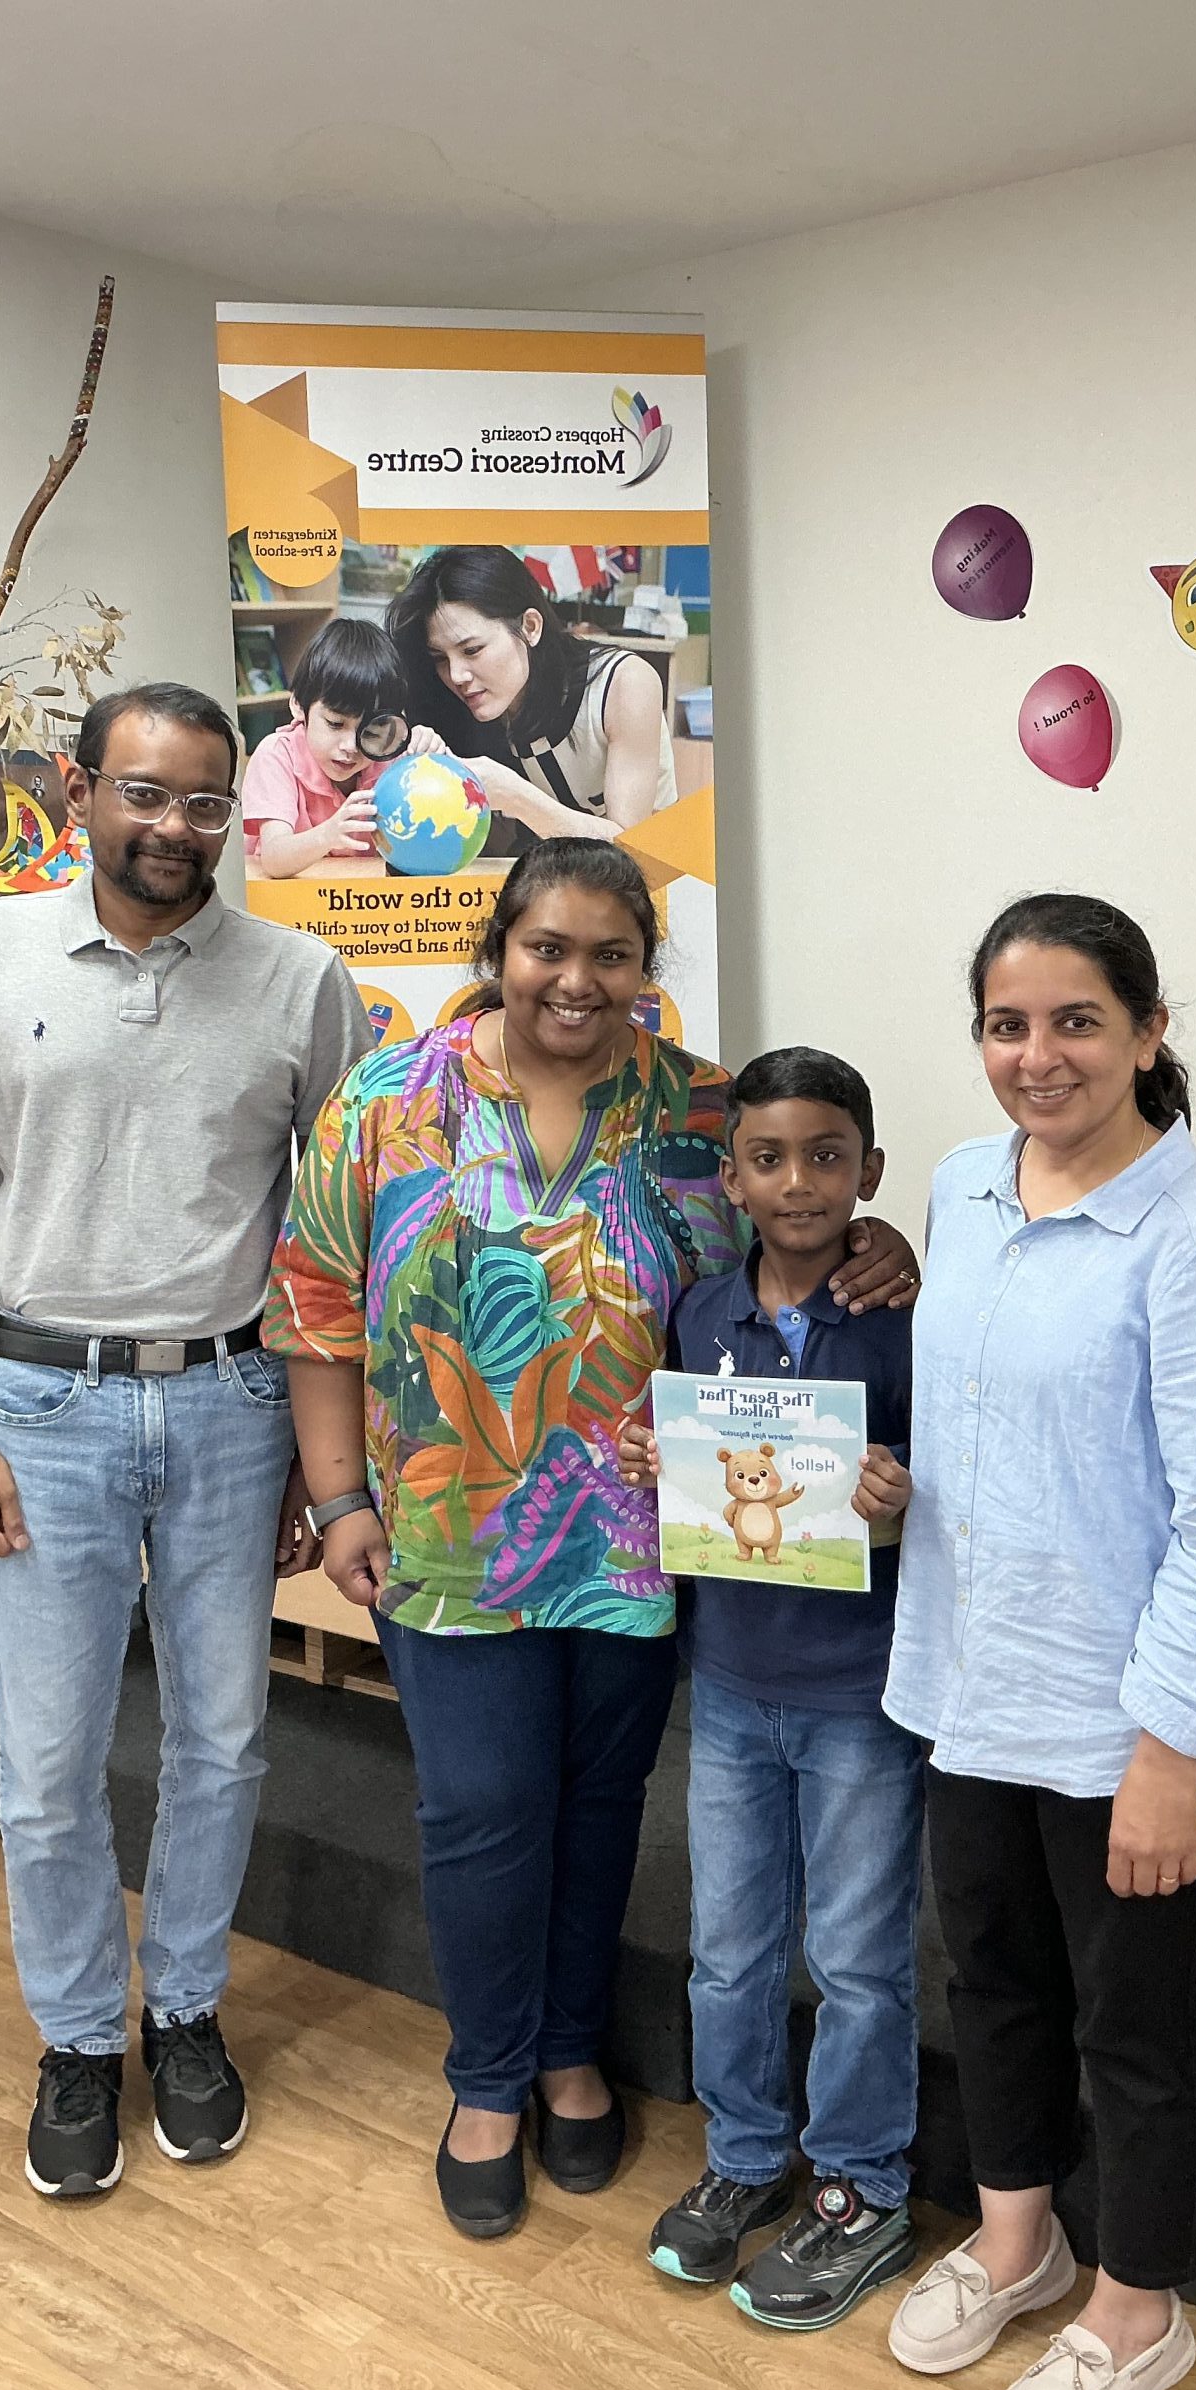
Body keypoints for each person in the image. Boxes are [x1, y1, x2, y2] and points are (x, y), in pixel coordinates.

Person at [264, 841, 917, 2240]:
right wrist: (338, 1499)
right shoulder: (386, 1102)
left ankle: (571, 2053)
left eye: (611, 955)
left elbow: (796, 1239)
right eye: (547, 948)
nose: (576, 979)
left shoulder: (703, 1112)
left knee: (601, 1801)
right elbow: (317, 1310)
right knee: (479, 1809)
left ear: (643, 969)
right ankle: (487, 2078)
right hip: (445, 1537)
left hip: (647, 1546)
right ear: (499, 949)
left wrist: (885, 1250)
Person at [0, 680, 371, 2201]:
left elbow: (328, 1239)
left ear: (235, 810)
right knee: (46, 1762)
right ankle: (82, 2036)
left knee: (222, 1740)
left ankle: (188, 2012)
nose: (174, 826)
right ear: (78, 786)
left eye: (206, 801)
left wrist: (319, 1462)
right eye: (144, 793)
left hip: (233, 1404)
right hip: (42, 1410)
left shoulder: (304, 980)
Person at [882, 894, 1196, 2390]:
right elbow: (983, 1430)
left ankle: (1138, 2309)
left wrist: (1168, 1755)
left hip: (1143, 1728)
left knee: (1134, 2029)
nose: (1037, 1056)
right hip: (978, 1687)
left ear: (1147, 1031)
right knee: (993, 1978)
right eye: (1007, 1025)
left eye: (1076, 1022)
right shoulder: (961, 1185)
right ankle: (1020, 2240)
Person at [618, 1047, 926, 2331]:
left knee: (857, 1956)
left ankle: (861, 2183)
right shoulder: (698, 1316)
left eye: (826, 1155)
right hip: (734, 1686)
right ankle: (745, 2153)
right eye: (768, 1157)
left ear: (869, 1170)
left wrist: (903, 1494)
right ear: (732, 1178)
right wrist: (659, 1458)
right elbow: (692, 1470)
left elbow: (949, 1489)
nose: (798, 1181)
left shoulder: (908, 1322)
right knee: (729, 1948)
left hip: (862, 1693)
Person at [384, 544, 675, 845]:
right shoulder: (471, 706)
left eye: (472, 650)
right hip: (546, 866)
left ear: (530, 627)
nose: (456, 675)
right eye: (440, 658)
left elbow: (629, 847)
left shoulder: (624, 683)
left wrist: (516, 797)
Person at [241, 616, 447, 879]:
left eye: (371, 731)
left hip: (359, 899)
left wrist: (434, 759)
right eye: (336, 724)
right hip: (287, 900)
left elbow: (452, 813)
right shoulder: (276, 756)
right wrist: (328, 834)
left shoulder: (391, 755)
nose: (351, 746)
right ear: (298, 705)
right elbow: (274, 858)